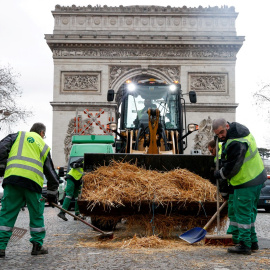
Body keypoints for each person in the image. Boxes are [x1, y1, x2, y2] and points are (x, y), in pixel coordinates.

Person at [0, 123, 59, 258]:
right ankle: (37, 246)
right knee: (36, 214)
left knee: (7, 213)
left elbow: (1, 149)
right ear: (42, 133)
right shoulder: (43, 145)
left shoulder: (17, 136)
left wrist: (3, 165)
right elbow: (50, 172)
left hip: (13, 180)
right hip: (33, 183)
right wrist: (52, 193)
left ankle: (1, 247)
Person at [212, 118, 267, 255]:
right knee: (249, 212)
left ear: (227, 126)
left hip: (246, 181)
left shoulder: (237, 142)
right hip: (256, 178)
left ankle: (244, 245)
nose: (221, 136)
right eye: (218, 134)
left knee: (242, 213)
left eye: (222, 132)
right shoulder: (241, 133)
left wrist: (220, 174)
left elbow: (233, 167)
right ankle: (253, 242)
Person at [208, 139, 235, 241]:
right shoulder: (222, 150)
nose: (211, 154)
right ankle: (233, 234)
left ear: (215, 147)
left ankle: (233, 235)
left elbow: (222, 178)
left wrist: (224, 194)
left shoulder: (219, 158)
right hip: (233, 187)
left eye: (211, 151)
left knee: (233, 212)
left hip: (232, 187)